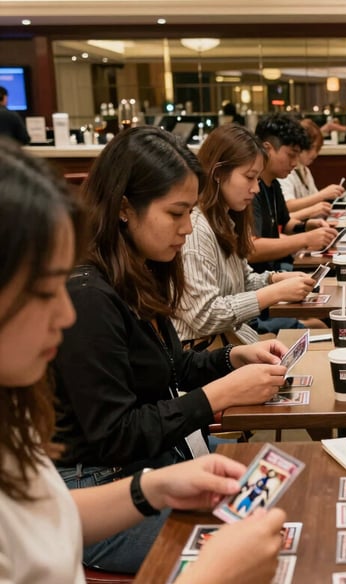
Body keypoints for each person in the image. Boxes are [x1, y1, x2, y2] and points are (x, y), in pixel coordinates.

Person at [0, 138, 285, 584]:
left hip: (135, 471)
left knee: (280, 499)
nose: (188, 227)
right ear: (124, 209)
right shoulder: (91, 296)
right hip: (104, 473)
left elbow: (44, 515)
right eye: (176, 213)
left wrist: (151, 487)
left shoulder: (133, 273)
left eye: (190, 212)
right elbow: (114, 437)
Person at [172, 124, 316, 344]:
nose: (256, 188)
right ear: (218, 173)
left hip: (234, 342)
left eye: (257, 179)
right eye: (249, 177)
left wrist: (275, 279)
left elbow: (243, 280)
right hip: (204, 355)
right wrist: (275, 292)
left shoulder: (225, 219)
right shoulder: (196, 229)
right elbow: (204, 317)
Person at [249, 112, 338, 274]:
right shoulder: (251, 189)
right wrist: (305, 239)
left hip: (275, 271)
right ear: (267, 149)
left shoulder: (273, 184)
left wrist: (307, 226)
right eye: (291, 155)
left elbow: (286, 224)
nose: (295, 163)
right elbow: (251, 248)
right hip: (260, 277)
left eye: (297, 156)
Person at [278, 118, 345, 221]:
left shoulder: (305, 170)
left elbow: (315, 201)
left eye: (317, 148)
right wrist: (323, 194)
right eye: (312, 147)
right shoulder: (285, 171)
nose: (315, 153)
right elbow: (287, 206)